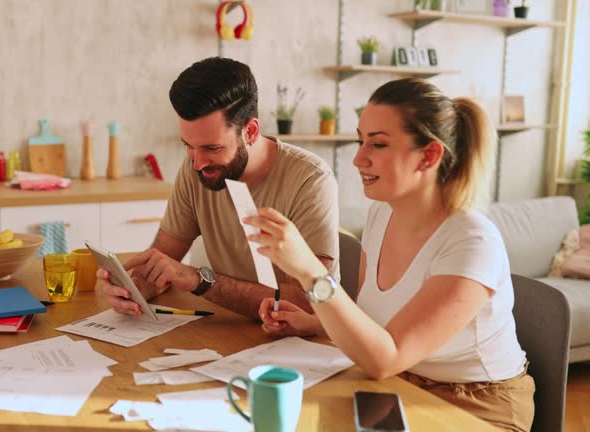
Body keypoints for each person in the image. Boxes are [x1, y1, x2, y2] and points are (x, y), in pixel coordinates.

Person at [245, 77, 534, 431]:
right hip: (400, 382)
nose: (358, 158)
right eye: (360, 140)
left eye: (378, 145)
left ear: (429, 155)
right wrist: (313, 322)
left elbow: (387, 356)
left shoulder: (472, 243)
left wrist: (309, 271)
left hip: (477, 405)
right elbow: (375, 323)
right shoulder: (382, 213)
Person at [99, 56, 339, 319]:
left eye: (212, 148)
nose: (198, 164)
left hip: (300, 347)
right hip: (229, 333)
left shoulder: (310, 180)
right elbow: (162, 260)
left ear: (250, 132)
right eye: (188, 146)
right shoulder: (197, 169)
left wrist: (200, 280)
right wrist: (134, 288)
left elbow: (311, 303)